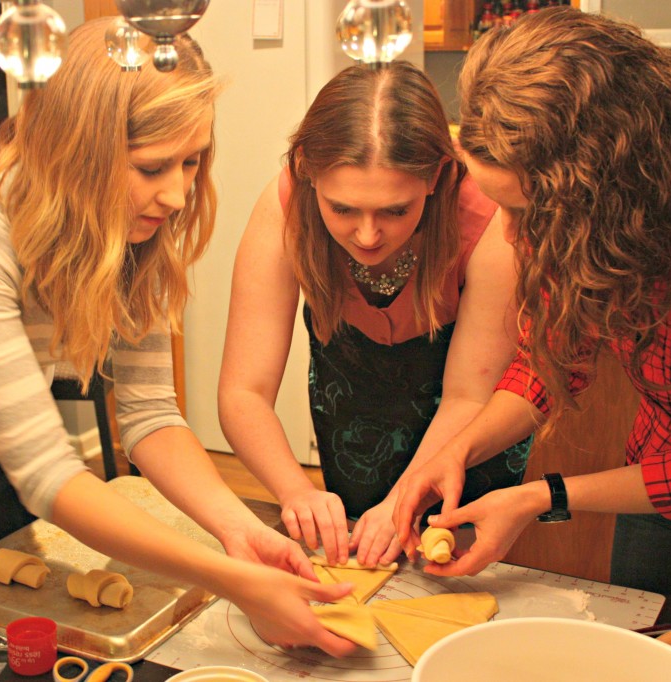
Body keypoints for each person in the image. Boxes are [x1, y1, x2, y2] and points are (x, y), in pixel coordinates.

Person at [0, 19, 358, 655]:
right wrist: (236, 580)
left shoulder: (134, 228)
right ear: (73, 150)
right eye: (152, 165)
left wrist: (238, 532)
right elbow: (49, 475)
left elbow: (150, 415)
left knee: (22, 639)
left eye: (192, 162)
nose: (179, 193)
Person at [392, 6, 671, 605]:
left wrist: (537, 497)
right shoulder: (581, 228)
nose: (508, 236)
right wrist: (457, 451)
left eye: (527, 213)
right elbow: (547, 360)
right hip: (663, 489)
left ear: (612, 196)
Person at [218, 60, 530, 569]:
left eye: (394, 211)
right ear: (307, 171)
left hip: (461, 432)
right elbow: (243, 392)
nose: (366, 235)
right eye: (342, 210)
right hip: (354, 414)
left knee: (454, 582)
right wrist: (296, 491)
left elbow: (468, 396)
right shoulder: (287, 204)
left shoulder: (489, 220)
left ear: (438, 177)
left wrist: (404, 501)